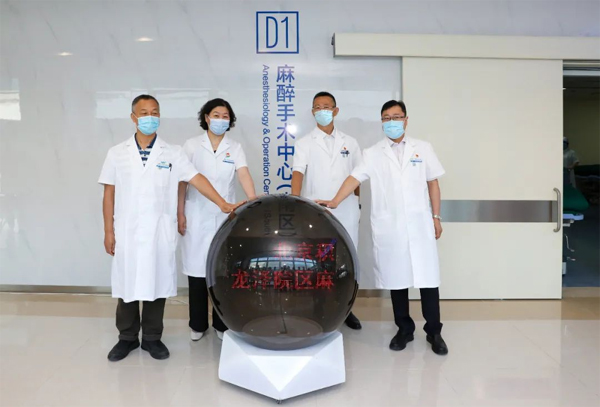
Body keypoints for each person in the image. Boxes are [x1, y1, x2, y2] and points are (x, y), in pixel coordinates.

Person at [99, 95, 242, 362]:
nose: (150, 117)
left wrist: (222, 202)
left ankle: (152, 338)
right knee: (127, 285)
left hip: (158, 231)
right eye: (144, 112)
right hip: (128, 231)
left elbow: (197, 178)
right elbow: (109, 194)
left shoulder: (172, 152)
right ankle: (127, 337)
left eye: (155, 112)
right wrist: (109, 231)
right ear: (133, 117)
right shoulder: (117, 153)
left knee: (157, 284)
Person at [317, 100, 449, 355]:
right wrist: (335, 200)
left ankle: (434, 332)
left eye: (396, 117)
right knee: (396, 279)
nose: (392, 122)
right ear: (381, 122)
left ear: (406, 120)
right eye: (386, 118)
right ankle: (404, 329)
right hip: (391, 227)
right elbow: (354, 178)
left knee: (428, 279)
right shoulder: (372, 153)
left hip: (420, 224)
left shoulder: (422, 148)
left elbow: (433, 183)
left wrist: (436, 217)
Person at [178, 98, 257, 342]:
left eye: (225, 116)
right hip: (196, 213)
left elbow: (243, 174)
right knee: (197, 272)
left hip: (226, 215)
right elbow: (182, 181)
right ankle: (197, 324)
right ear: (206, 118)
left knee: (223, 271)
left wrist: (253, 201)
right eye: (216, 115)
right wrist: (180, 211)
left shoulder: (235, 147)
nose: (220, 120)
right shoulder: (191, 145)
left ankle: (222, 324)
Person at [291, 91, 363, 330]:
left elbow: (357, 177)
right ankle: (319, 309)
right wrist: (296, 203)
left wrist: (357, 204)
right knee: (319, 263)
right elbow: (298, 173)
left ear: (336, 110)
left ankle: (346, 309)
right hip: (316, 210)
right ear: (313, 112)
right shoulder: (304, 143)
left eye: (327, 106)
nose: (322, 110)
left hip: (347, 209)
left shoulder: (350, 142)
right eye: (318, 107)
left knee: (346, 262)